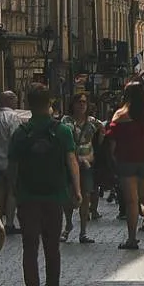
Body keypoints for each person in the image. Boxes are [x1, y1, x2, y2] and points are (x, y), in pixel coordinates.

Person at [10, 83, 80, 286]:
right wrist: (76, 190)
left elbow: (12, 167)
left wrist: (14, 191)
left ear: (28, 104)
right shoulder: (63, 131)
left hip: (28, 197)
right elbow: (72, 163)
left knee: (29, 248)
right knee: (52, 248)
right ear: (50, 103)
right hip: (55, 196)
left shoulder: (21, 133)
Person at [105, 81, 144, 251]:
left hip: (126, 161)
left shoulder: (120, 115)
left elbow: (112, 144)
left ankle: (131, 239)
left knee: (131, 201)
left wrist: (113, 162)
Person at [60, 92, 101, 242]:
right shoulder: (67, 121)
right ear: (73, 104)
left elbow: (103, 130)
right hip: (70, 163)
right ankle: (69, 224)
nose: (82, 105)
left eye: (84, 102)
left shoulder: (92, 122)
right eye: (79, 102)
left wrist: (95, 152)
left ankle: (83, 231)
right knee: (68, 197)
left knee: (86, 196)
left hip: (87, 164)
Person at [0, 91, 26, 234]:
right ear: (9, 101)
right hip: (9, 162)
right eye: (15, 100)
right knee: (11, 192)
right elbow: (15, 140)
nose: (17, 103)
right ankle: (9, 223)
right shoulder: (13, 117)